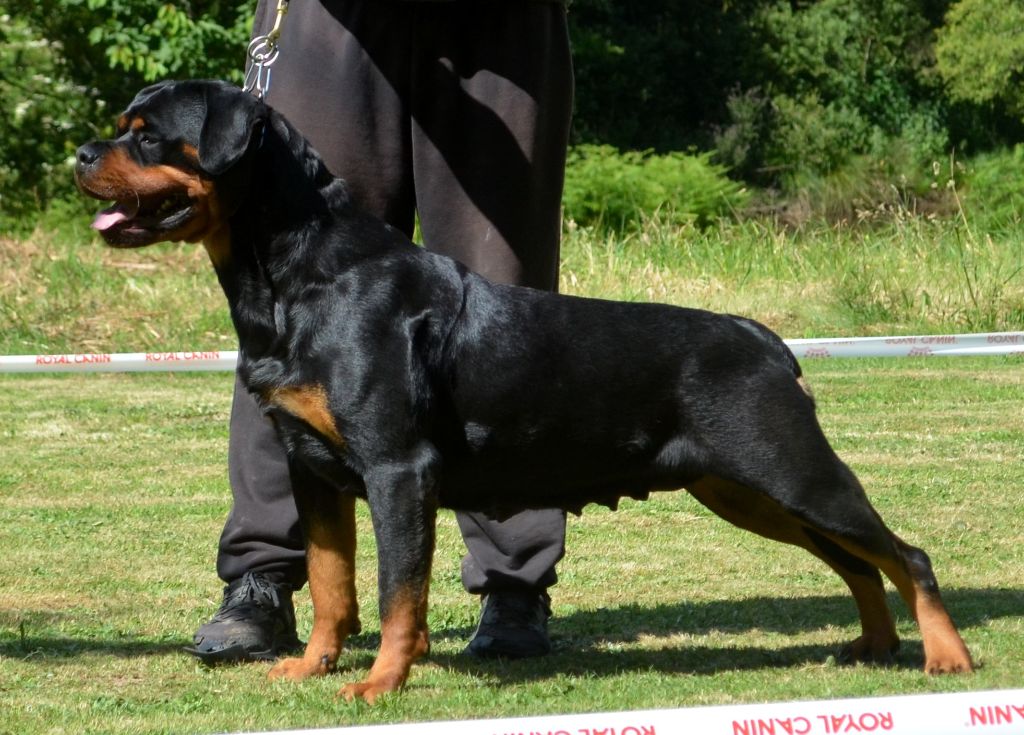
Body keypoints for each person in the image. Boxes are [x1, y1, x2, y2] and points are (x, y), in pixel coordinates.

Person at [187, 0, 574, 664]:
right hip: (329, 19)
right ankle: (264, 575)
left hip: (504, 29)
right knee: (290, 291)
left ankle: (515, 580)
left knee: (505, 304)